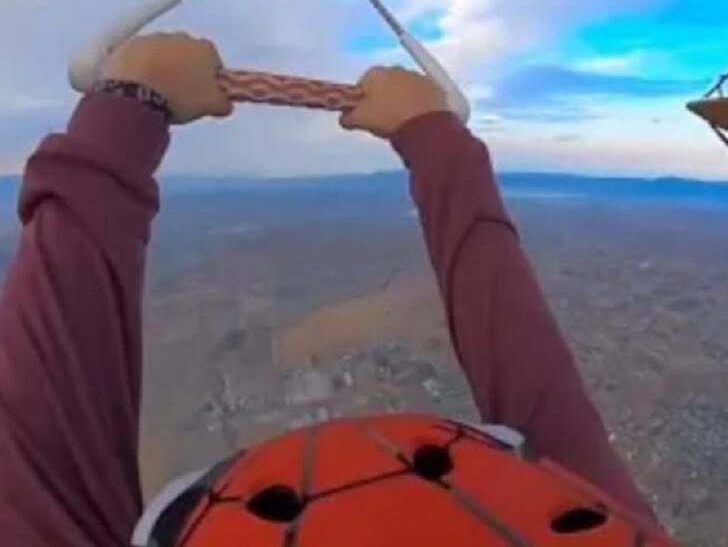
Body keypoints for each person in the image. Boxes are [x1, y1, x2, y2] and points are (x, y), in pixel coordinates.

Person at [0, 33, 668, 545]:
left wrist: (128, 109)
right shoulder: (598, 523)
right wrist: (436, 139)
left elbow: (44, 401)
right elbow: (533, 374)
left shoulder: (603, 520)